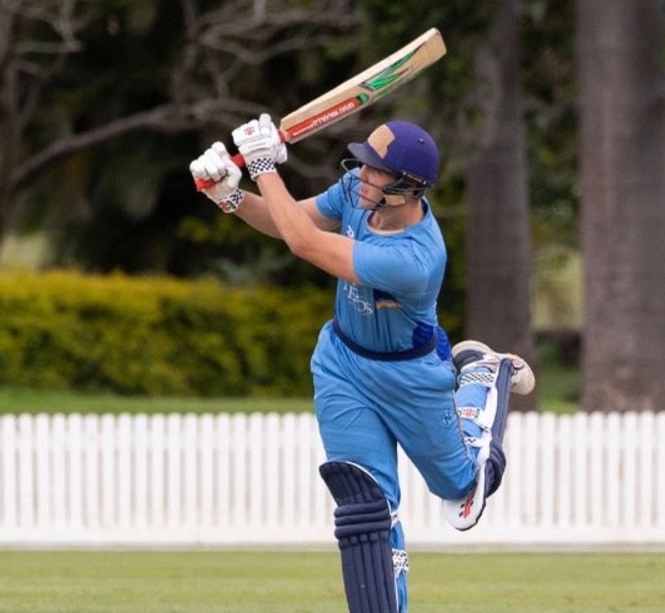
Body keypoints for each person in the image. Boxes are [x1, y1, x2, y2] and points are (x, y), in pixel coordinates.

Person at [190, 116, 535, 613]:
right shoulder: (356, 190)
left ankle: (482, 375)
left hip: (411, 375)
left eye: (376, 171)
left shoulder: (416, 258)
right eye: (365, 165)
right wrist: (231, 196)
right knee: (365, 507)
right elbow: (294, 220)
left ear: (409, 188)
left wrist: (263, 165)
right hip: (343, 364)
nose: (362, 175)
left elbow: (304, 245)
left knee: (461, 494)